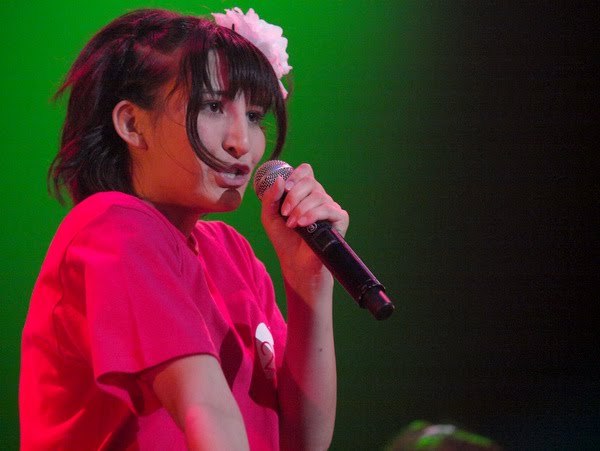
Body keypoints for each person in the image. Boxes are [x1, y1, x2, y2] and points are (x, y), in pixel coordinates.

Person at [19, 7, 347, 450]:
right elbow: (208, 413)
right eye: (213, 107)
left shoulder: (231, 252)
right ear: (132, 124)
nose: (242, 142)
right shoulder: (112, 228)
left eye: (254, 115)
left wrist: (310, 281)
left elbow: (303, 442)